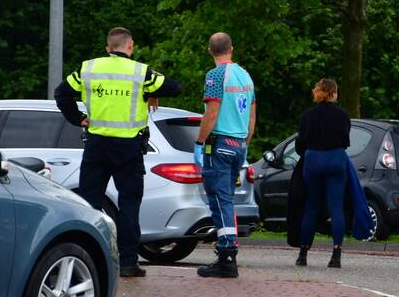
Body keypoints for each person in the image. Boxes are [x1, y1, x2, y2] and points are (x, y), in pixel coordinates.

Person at [55, 27, 181, 277]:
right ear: (130, 46)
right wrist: (150, 92)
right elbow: (174, 88)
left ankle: (85, 259)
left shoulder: (88, 69)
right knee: (129, 206)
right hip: (128, 149)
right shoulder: (141, 72)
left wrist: (78, 118)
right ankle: (128, 263)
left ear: (107, 48)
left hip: (97, 146)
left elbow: (61, 93)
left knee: (89, 204)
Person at [193, 32, 256, 278]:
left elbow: (212, 112)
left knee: (219, 201)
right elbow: (252, 116)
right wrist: (245, 143)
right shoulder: (246, 76)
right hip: (238, 143)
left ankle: (227, 256)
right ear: (232, 48)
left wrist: (199, 142)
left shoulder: (216, 75)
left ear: (210, 50)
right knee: (227, 199)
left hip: (218, 144)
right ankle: (227, 253)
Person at [295, 78, 350, 268]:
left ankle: (303, 253)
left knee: (311, 206)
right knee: (336, 207)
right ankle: (336, 253)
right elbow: (345, 141)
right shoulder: (343, 115)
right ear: (333, 93)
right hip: (335, 159)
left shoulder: (306, 116)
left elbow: (299, 144)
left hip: (314, 160)